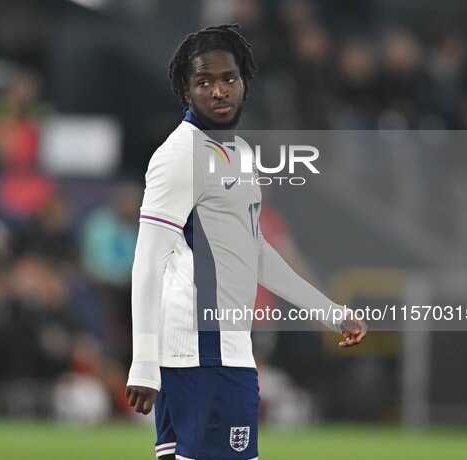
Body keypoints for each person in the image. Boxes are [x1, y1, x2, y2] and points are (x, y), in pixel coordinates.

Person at [126, 24, 367, 460]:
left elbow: (255, 251)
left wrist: (326, 311)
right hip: (203, 351)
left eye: (228, 79)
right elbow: (148, 258)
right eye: (204, 82)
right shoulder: (181, 155)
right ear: (186, 90)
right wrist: (143, 359)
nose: (219, 91)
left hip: (220, 346)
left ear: (244, 83)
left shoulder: (239, 154)